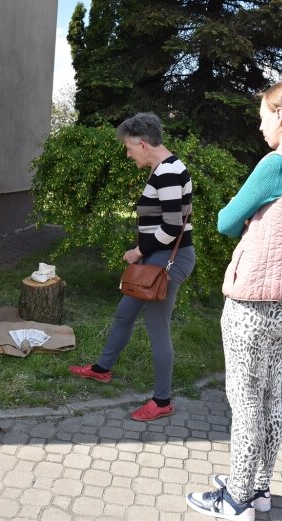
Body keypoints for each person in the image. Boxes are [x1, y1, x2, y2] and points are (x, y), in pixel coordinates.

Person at [186, 80, 282, 521]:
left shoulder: (278, 163)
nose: (258, 123)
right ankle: (259, 488)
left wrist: (252, 218)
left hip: (255, 302)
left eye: (262, 114)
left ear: (280, 114)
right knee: (270, 395)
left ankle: (235, 499)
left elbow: (225, 221)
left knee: (245, 398)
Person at [67, 112, 195, 422]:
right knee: (125, 312)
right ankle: (102, 369)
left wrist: (138, 250)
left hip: (168, 262)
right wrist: (144, 253)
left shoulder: (166, 172)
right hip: (158, 258)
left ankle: (162, 400)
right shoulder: (167, 167)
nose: (127, 154)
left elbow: (172, 226)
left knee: (156, 328)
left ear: (142, 143)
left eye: (128, 147)